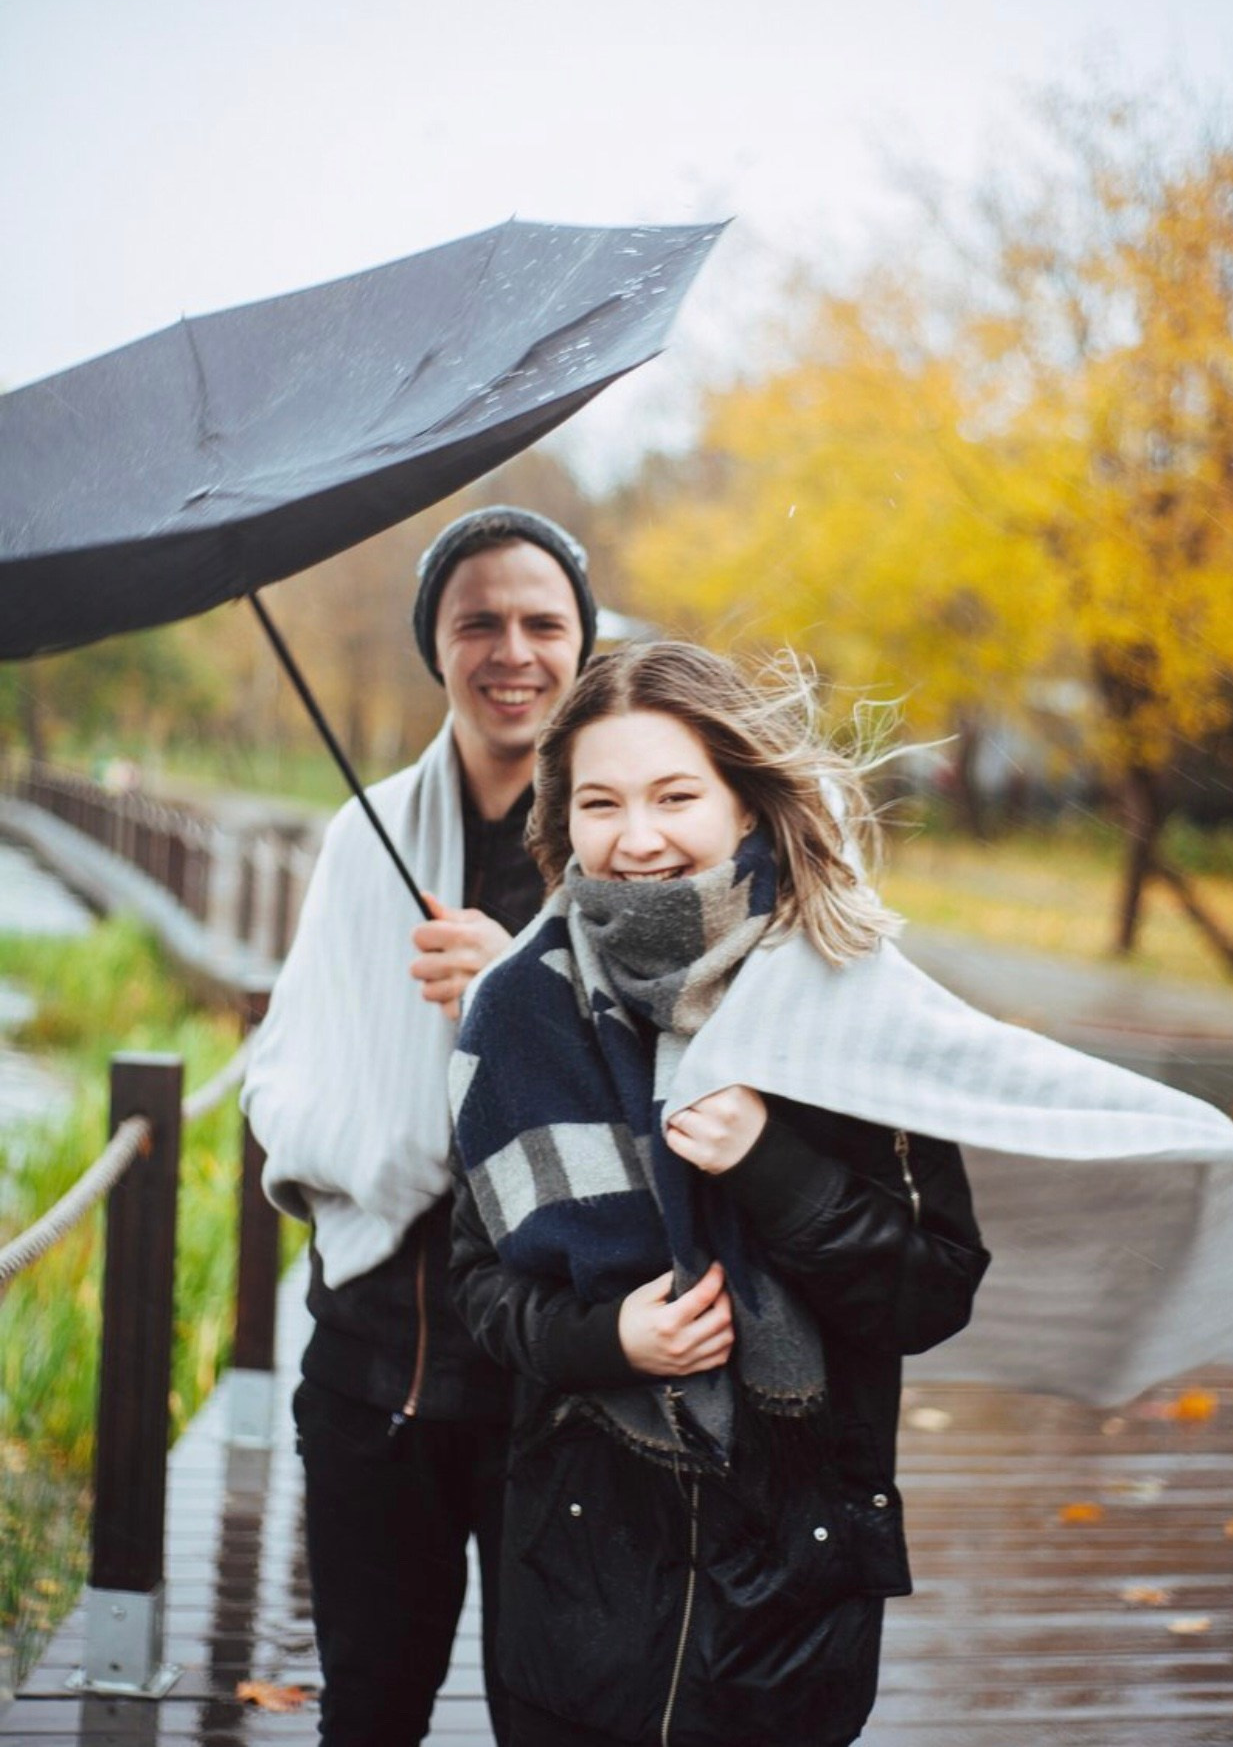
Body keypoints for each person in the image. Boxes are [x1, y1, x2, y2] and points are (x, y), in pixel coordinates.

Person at [449, 641, 992, 1747]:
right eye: (600, 800)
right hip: (579, 1580)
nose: (636, 836)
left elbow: (931, 1290)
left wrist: (771, 1166)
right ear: (562, 817)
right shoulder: (516, 1010)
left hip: (792, 1583)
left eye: (674, 794)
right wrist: (609, 1337)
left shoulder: (851, 997)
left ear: (746, 802)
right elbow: (476, 1283)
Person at [240, 504, 598, 1747]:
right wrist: (368, 1138)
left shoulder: (626, 848)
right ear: (436, 645)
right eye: (478, 622)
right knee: (371, 1715)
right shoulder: (364, 837)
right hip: (373, 1375)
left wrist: (520, 989)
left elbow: (680, 1091)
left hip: (563, 1390)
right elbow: (290, 1065)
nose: (514, 649)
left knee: (551, 1718)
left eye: (542, 622)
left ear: (580, 643)